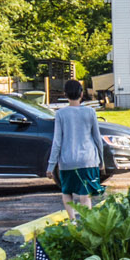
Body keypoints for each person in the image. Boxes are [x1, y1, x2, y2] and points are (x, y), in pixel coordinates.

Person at [47, 78, 107, 210]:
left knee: (66, 191)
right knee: (85, 195)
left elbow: (57, 142)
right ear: (81, 94)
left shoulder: (60, 114)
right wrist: (101, 161)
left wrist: (51, 166)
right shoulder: (90, 112)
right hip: (88, 160)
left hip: (67, 161)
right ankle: (87, 223)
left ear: (65, 94)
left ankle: (73, 221)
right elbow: (97, 138)